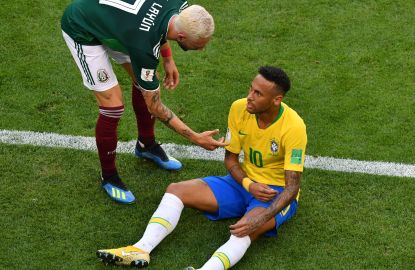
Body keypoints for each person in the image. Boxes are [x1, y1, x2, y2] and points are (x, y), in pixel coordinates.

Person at [96, 66, 308, 269]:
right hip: (243, 183)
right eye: (251, 88)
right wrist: (248, 184)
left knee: (244, 230)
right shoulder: (239, 108)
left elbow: (292, 188)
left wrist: (262, 218)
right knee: (176, 190)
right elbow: (231, 160)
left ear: (276, 100)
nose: (250, 96)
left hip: (275, 192)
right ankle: (139, 249)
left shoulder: (294, 127)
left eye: (258, 93)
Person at [61, 0, 227, 204]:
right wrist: (195, 137)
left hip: (122, 25)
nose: (202, 49)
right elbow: (154, 106)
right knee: (113, 107)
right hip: (84, 28)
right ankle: (109, 176)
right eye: (199, 45)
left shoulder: (177, 6)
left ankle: (146, 145)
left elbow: (160, 24)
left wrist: (168, 59)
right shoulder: (144, 47)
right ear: (182, 37)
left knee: (145, 83)